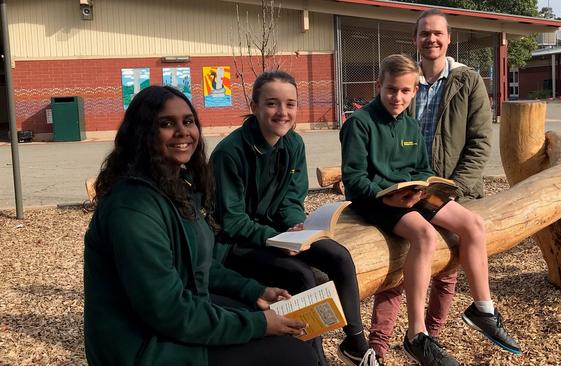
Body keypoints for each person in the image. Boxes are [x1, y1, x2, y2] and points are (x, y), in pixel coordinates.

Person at [83, 85, 318, 366]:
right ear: (142, 134)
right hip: (142, 346)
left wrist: (254, 291)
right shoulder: (133, 207)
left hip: (175, 319)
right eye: (167, 123)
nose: (183, 131)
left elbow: (199, 265)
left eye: (188, 121)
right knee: (291, 353)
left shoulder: (176, 186)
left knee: (289, 321)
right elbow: (167, 310)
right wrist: (258, 325)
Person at [340, 54, 521, 366]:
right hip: (378, 201)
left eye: (406, 91)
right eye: (391, 90)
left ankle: (483, 309)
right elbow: (354, 180)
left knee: (473, 224)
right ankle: (416, 335)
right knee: (424, 236)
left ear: (414, 91)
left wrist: (427, 187)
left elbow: (421, 168)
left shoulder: (410, 125)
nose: (398, 97)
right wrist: (387, 198)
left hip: (413, 195)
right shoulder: (359, 123)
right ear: (378, 85)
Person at [210, 71, 375, 366]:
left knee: (338, 255)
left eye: (290, 104)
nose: (282, 113)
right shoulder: (230, 153)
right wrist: (275, 239)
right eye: (272, 104)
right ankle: (313, 355)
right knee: (303, 276)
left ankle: (356, 342)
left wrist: (296, 226)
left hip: (277, 233)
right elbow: (233, 221)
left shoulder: (294, 144)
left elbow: (290, 201)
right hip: (238, 243)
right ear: (255, 106)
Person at [368, 8, 495, 364]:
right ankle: (378, 347)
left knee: (447, 267)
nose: (431, 39)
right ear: (415, 39)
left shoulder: (466, 81)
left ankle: (430, 338)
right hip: (404, 187)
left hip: (446, 188)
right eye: (425, 33)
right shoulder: (405, 79)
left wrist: (454, 189)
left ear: (448, 38)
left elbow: (480, 141)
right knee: (398, 263)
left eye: (438, 33)